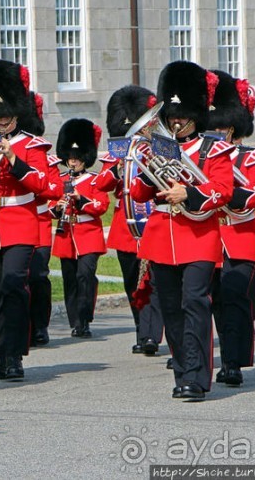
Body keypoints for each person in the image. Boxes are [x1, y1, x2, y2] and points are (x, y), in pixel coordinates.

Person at [129, 60, 234, 401]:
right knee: (171, 308)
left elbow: (223, 189)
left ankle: (197, 376)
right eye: (171, 116)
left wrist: (188, 192)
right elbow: (138, 194)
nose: (175, 122)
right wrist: (145, 170)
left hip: (199, 236)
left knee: (195, 303)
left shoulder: (213, 148)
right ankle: (181, 370)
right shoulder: (157, 147)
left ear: (195, 115)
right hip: (162, 237)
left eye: (182, 116)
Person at [0, 59, 49, 381]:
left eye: (6, 115)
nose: (1, 120)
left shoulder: (32, 146)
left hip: (20, 221)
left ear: (17, 113)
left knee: (13, 285)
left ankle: (16, 355)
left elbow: (46, 187)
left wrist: (15, 161)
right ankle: (4, 355)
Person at [207, 70, 255, 387]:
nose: (216, 131)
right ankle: (211, 357)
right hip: (208, 237)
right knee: (213, 300)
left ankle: (232, 362)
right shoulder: (202, 157)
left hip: (239, 236)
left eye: (221, 126)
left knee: (236, 299)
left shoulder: (251, 157)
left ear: (232, 127)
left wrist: (235, 195)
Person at [94, 86, 165, 355]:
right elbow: (101, 184)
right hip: (126, 225)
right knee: (130, 281)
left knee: (155, 281)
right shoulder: (119, 151)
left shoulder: (156, 148)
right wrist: (117, 168)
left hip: (153, 221)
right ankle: (140, 330)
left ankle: (151, 335)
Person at [50, 118, 109, 338]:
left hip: (88, 234)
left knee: (86, 275)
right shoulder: (61, 180)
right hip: (66, 236)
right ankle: (75, 320)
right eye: (70, 158)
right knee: (70, 278)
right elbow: (49, 207)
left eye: (77, 158)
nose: (73, 162)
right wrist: (58, 207)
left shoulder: (95, 181)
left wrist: (81, 199)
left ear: (85, 158)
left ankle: (85, 318)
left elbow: (101, 205)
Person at [21, 93, 63, 346]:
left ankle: (40, 325)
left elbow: (54, 188)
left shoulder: (45, 157)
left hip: (38, 222)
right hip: (12, 221)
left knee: (37, 276)